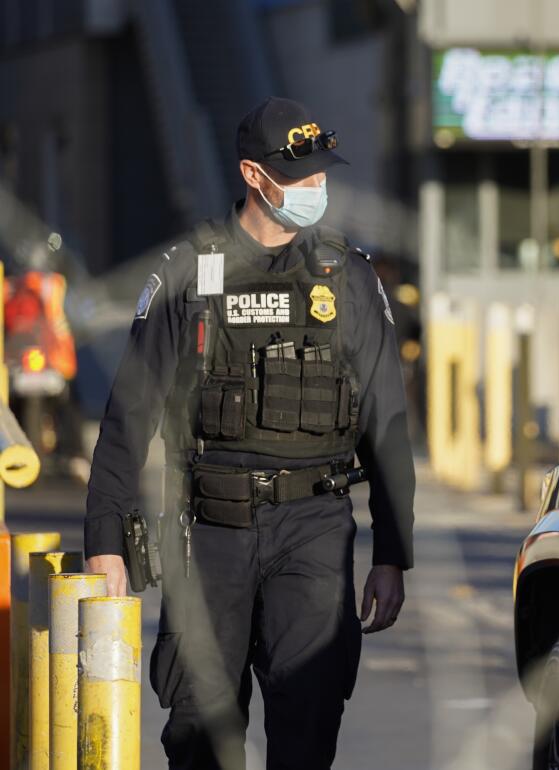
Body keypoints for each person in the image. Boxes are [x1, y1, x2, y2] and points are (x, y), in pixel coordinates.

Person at [83, 97, 416, 769]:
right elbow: (130, 414)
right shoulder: (188, 273)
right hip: (208, 528)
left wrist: (392, 551)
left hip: (315, 522)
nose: (316, 188)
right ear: (253, 177)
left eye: (323, 175)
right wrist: (106, 539)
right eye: (300, 178)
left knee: (309, 719)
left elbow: (387, 419)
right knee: (201, 729)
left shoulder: (346, 276)